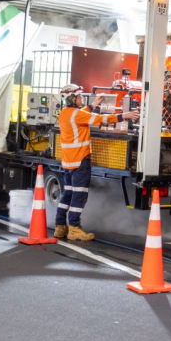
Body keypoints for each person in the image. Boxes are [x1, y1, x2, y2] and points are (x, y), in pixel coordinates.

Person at [55, 84, 110, 242]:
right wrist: (124, 116)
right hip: (80, 161)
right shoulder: (76, 115)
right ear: (72, 98)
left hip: (69, 162)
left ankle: (60, 226)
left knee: (69, 193)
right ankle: (74, 228)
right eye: (79, 96)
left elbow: (80, 115)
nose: (81, 98)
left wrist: (92, 105)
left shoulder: (65, 113)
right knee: (79, 195)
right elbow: (101, 119)